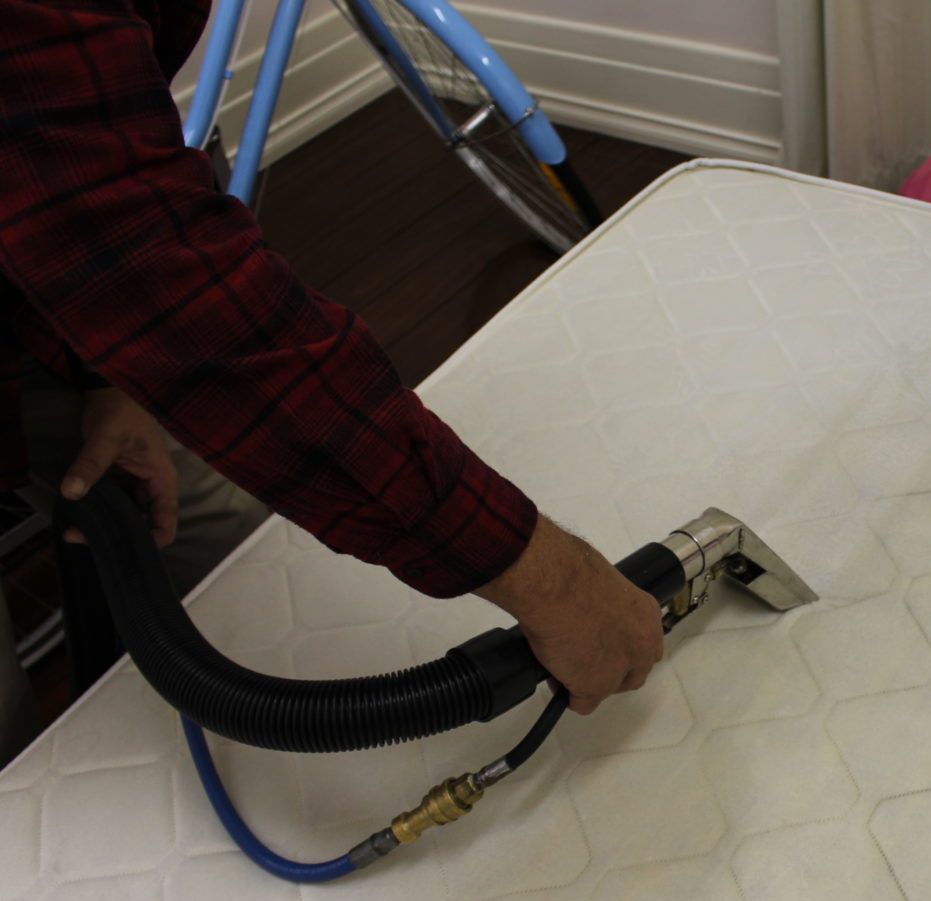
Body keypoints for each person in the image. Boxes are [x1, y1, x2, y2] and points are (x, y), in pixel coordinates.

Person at [0, 0, 663, 764]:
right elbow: (170, 282)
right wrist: (551, 581)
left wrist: (104, 375)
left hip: (40, 285)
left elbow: (87, 192)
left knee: (225, 542)